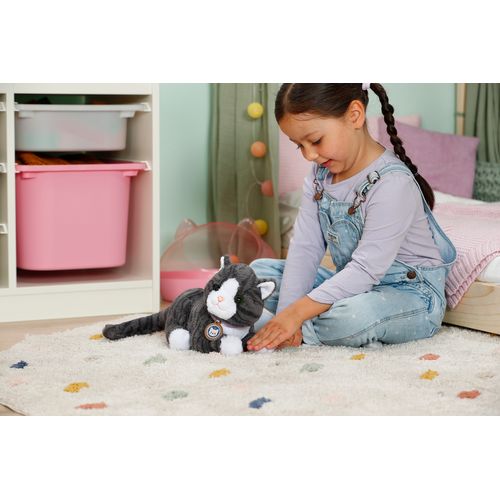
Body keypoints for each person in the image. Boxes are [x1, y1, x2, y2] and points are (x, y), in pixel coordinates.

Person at [247, 83, 456, 352]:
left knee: (350, 317)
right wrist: (288, 312)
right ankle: (292, 325)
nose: (309, 155)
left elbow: (366, 269)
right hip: (351, 285)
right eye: (299, 146)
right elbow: (306, 249)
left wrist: (296, 314)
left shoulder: (392, 183)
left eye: (316, 140)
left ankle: (278, 324)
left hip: (409, 294)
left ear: (355, 115)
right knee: (258, 273)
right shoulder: (319, 176)